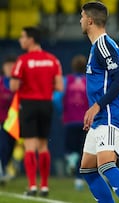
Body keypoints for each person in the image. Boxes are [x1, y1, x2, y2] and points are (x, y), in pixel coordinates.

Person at [79, 2, 119, 203]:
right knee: (87, 169)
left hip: (110, 115)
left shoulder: (103, 44)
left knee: (106, 166)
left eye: (82, 16)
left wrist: (97, 106)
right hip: (100, 117)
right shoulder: (98, 46)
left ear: (90, 20)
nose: (80, 20)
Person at [9, 26, 64, 196]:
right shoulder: (53, 60)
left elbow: (13, 86)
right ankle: (45, 186)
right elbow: (59, 86)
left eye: (22, 37)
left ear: (31, 40)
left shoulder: (22, 60)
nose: (20, 40)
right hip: (46, 104)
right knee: (43, 146)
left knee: (30, 147)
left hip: (29, 104)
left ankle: (32, 186)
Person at [62, 54, 88, 191]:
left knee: (69, 149)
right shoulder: (88, 81)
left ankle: (71, 159)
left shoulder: (66, 80)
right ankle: (79, 181)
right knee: (82, 151)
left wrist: (63, 110)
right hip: (85, 122)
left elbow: (57, 98)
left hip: (70, 120)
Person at [0, 56, 17, 184]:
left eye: (13, 66)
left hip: (14, 123)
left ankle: (4, 168)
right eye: (8, 66)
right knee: (3, 146)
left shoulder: (18, 84)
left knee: (10, 147)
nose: (10, 68)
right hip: (1, 121)